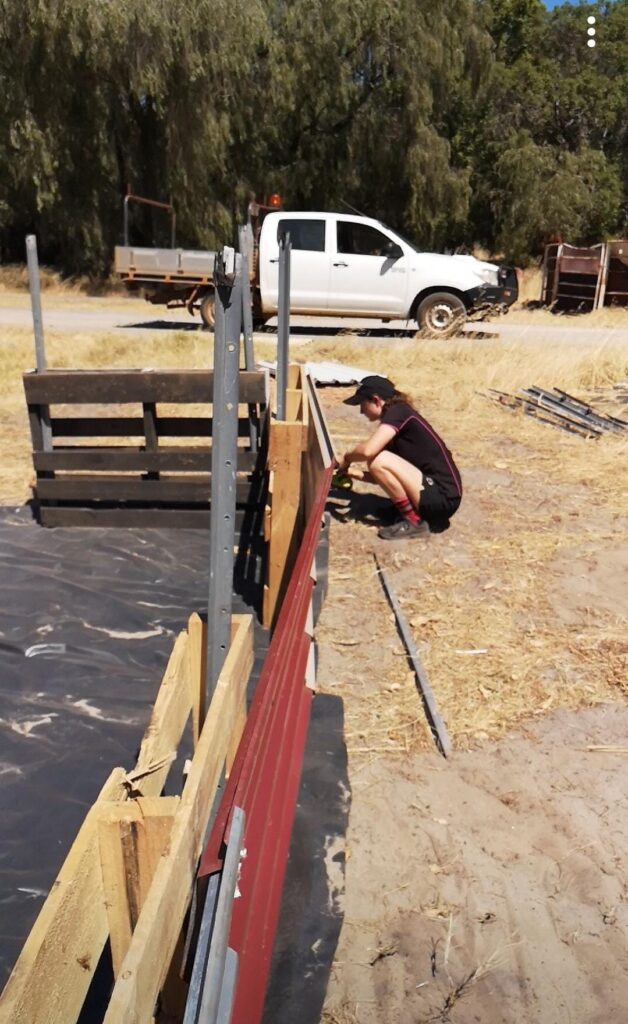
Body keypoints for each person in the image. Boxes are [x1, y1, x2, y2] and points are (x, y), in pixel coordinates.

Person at [337, 375, 462, 540]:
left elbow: (368, 452)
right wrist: (350, 473)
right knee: (378, 460)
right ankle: (409, 512)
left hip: (443, 497)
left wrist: (346, 459)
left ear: (376, 400)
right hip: (433, 495)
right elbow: (383, 477)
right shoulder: (396, 421)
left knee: (377, 459)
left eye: (362, 404)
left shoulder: (399, 412)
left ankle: (414, 521)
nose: (361, 411)